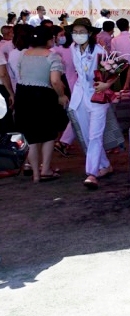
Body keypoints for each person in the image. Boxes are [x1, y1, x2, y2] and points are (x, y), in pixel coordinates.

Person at [14, 26, 68, 183]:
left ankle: (35, 173)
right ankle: (45, 170)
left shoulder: (23, 55)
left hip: (23, 94)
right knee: (48, 133)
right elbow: (55, 81)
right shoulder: (52, 57)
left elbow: (21, 75)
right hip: (43, 95)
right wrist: (61, 95)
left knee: (30, 135)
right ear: (48, 40)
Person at [67, 18, 115, 189]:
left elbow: (112, 74)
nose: (78, 35)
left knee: (95, 135)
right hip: (80, 96)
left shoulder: (99, 51)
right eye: (75, 32)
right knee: (87, 136)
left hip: (97, 97)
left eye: (82, 32)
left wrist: (107, 85)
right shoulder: (72, 48)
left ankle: (92, 173)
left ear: (90, 33)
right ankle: (105, 165)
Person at [50, 25, 77, 157]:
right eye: (60, 35)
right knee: (73, 116)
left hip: (73, 85)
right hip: (64, 87)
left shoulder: (69, 48)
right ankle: (63, 142)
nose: (63, 37)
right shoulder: (52, 52)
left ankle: (63, 142)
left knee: (72, 116)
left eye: (63, 34)